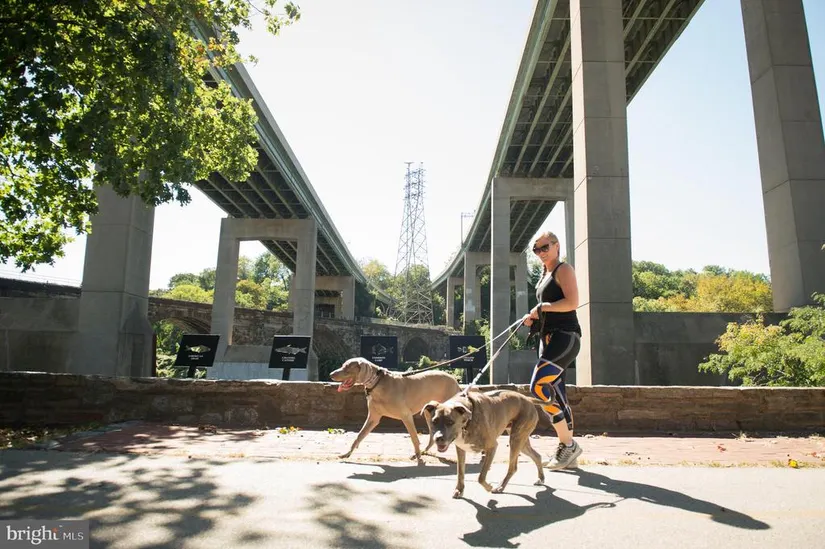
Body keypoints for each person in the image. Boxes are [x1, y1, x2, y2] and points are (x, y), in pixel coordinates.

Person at [522, 231, 583, 469]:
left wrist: (543, 307)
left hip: (565, 337)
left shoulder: (563, 269)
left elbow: (572, 302)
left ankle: (568, 445)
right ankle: (568, 452)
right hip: (547, 339)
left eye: (544, 247)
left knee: (538, 387)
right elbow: (548, 308)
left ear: (557, 246)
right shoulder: (544, 273)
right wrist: (534, 317)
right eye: (536, 250)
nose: (540, 253)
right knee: (557, 393)